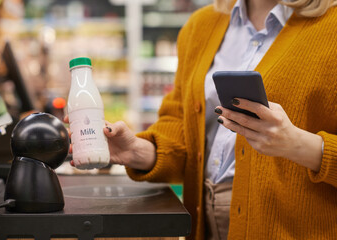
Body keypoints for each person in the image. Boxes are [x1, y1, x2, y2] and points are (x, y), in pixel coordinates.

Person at [65, 0, 337, 238]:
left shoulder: (330, 26)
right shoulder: (202, 25)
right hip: (202, 221)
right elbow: (182, 131)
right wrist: (136, 150)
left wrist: (298, 145)